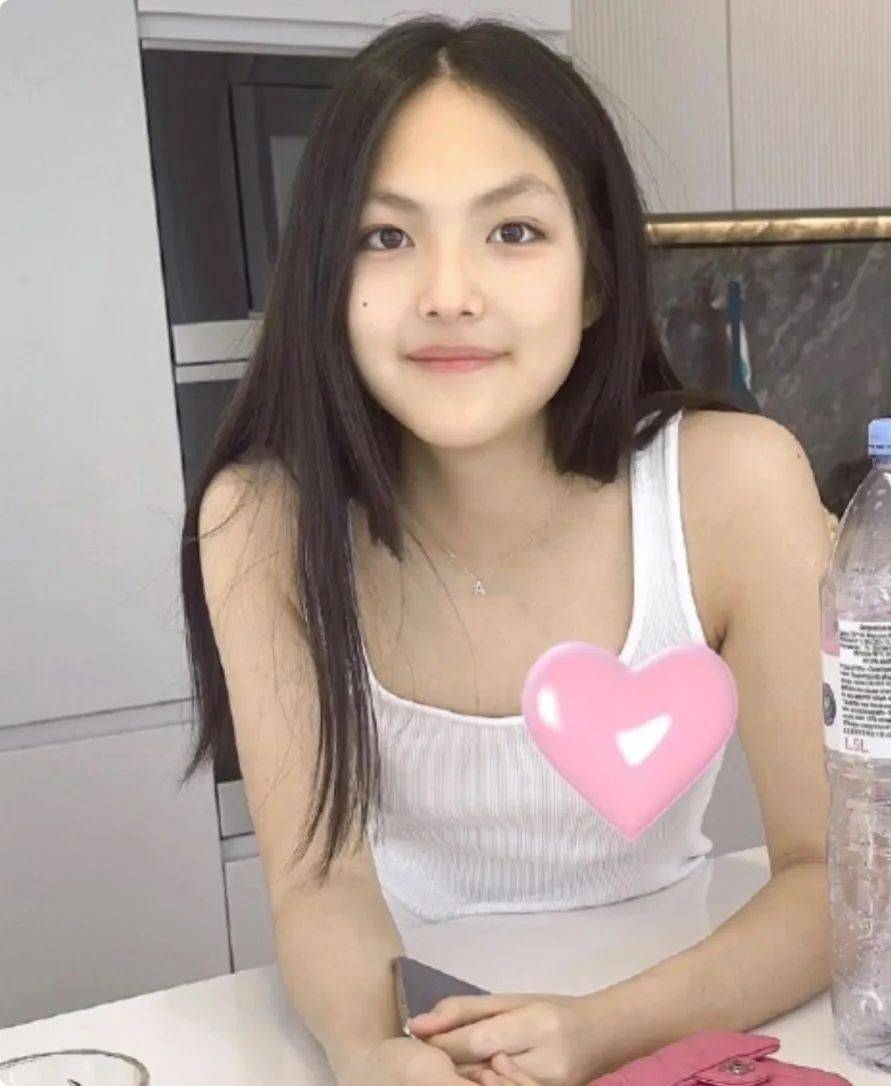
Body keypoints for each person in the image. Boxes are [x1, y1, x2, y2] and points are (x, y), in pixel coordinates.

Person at [180, 15, 834, 1086]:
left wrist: (595, 1031)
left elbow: (830, 877)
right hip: (420, 1021)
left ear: (595, 277)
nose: (449, 293)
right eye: (385, 237)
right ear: (325, 280)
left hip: (689, 1011)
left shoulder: (734, 486)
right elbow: (320, 886)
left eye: (514, 231)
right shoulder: (259, 524)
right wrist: (370, 1054)